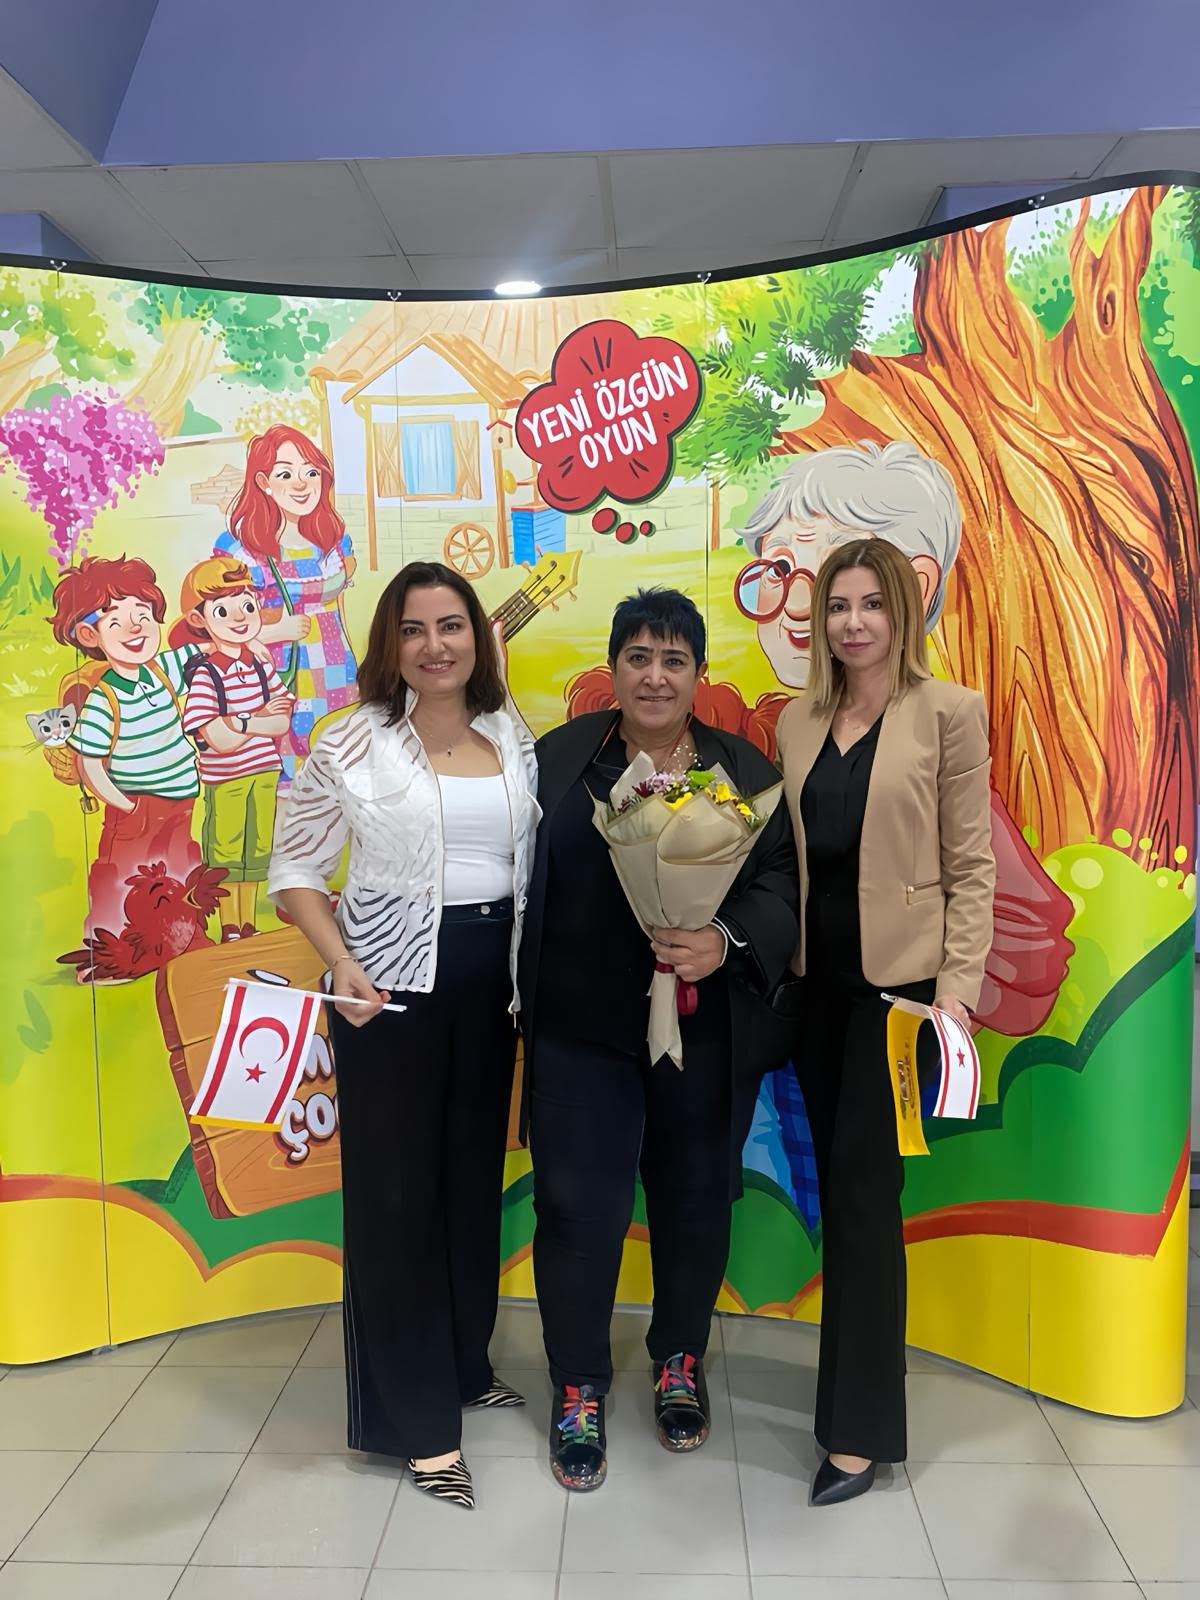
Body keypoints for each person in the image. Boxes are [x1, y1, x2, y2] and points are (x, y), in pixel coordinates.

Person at [268, 560, 538, 1510]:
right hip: (385, 995)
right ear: (390, 644)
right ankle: (416, 1426)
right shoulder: (351, 742)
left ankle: (463, 1366)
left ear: (477, 636)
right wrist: (340, 961)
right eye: (414, 629)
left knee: (468, 1188)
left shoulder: (510, 732)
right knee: (396, 1201)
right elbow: (295, 868)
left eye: (451, 625)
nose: (435, 645)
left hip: (492, 990)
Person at [520, 586, 799, 1492]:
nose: (654, 675)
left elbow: (782, 882)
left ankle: (679, 1357)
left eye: (673, 659)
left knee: (694, 1201)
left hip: (702, 1032)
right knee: (576, 1212)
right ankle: (578, 1384)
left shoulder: (742, 770)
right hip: (579, 1033)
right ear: (612, 668)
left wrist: (725, 939)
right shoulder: (559, 762)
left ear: (698, 673)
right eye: (637, 657)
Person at [775, 537, 995, 1505]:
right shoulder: (797, 720)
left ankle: (858, 1435)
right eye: (838, 604)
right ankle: (849, 1398)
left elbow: (973, 867)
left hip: (899, 1001)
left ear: (903, 612)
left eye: (871, 603)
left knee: (867, 1203)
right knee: (842, 1198)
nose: (853, 622)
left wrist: (957, 994)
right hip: (814, 994)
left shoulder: (948, 713)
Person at [216, 424, 356, 783]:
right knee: (284, 776)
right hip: (278, 672)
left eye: (311, 473)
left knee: (337, 764)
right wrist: (275, 631)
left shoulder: (333, 540)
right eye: (286, 474)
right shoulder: (240, 549)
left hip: (335, 668)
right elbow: (219, 627)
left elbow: (339, 606)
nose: (301, 484)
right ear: (264, 482)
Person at [177, 556, 294, 941]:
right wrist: (255, 718)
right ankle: (229, 925)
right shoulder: (206, 674)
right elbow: (219, 740)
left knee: (257, 851)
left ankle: (248, 925)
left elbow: (281, 722)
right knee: (226, 852)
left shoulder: (261, 666)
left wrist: (238, 721)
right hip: (225, 778)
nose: (240, 617)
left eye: (247, 605)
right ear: (200, 619)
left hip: (264, 771)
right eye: (223, 610)